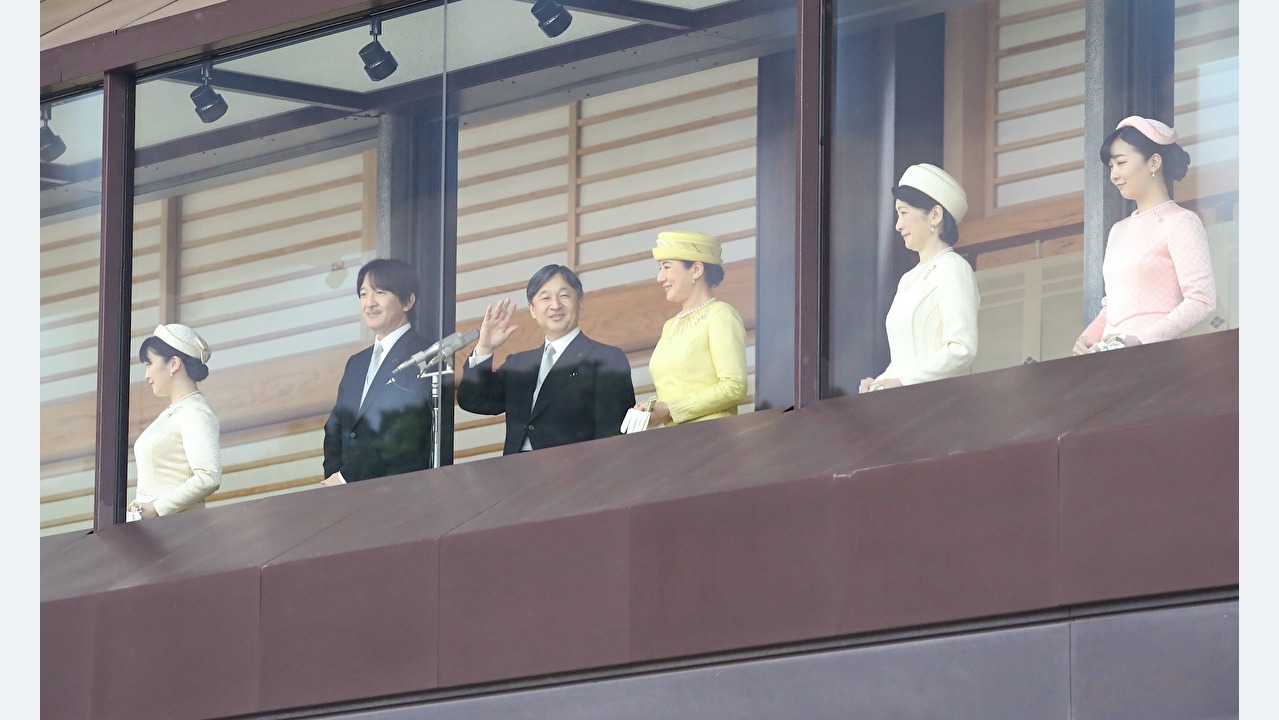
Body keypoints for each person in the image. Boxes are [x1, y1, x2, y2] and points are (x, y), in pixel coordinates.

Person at [1072, 115, 1216, 355]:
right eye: (1111, 166)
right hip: (1110, 358)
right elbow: (1113, 304)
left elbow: (1201, 300)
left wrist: (1144, 341)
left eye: (1121, 162)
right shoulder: (1118, 230)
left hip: (1157, 357)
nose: (1114, 175)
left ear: (1153, 162)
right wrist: (1089, 336)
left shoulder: (1181, 222)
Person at [457, 264, 635, 454]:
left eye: (564, 296)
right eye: (545, 298)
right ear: (533, 310)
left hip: (574, 468)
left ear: (580, 302)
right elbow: (474, 401)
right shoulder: (519, 365)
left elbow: (613, 434)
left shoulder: (606, 359)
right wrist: (484, 348)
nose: (555, 305)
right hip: (515, 469)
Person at [859, 163, 980, 393]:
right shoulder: (907, 279)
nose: (898, 225)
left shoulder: (953, 267)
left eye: (904, 213)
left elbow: (962, 348)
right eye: (898, 214)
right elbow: (904, 361)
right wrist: (878, 383)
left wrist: (904, 382)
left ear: (935, 215)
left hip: (939, 401)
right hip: (907, 402)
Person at [322, 258, 435, 485]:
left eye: (380, 292)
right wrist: (335, 478)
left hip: (398, 490)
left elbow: (404, 430)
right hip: (349, 493)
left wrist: (346, 477)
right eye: (363, 294)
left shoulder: (425, 355)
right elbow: (335, 426)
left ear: (407, 301)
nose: (369, 303)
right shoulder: (356, 363)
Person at [630, 230, 747, 427]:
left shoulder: (721, 314)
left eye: (667, 267)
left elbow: (734, 386)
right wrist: (651, 410)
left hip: (712, 435)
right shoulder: (670, 326)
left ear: (696, 270)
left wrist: (671, 409)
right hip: (674, 439)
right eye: (660, 268)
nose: (660, 277)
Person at [128, 323, 221, 520]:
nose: (147, 375)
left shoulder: (196, 411)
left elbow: (209, 476)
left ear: (173, 364)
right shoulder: (174, 412)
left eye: (149, 364)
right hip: (157, 528)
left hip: (176, 528)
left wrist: (156, 508)